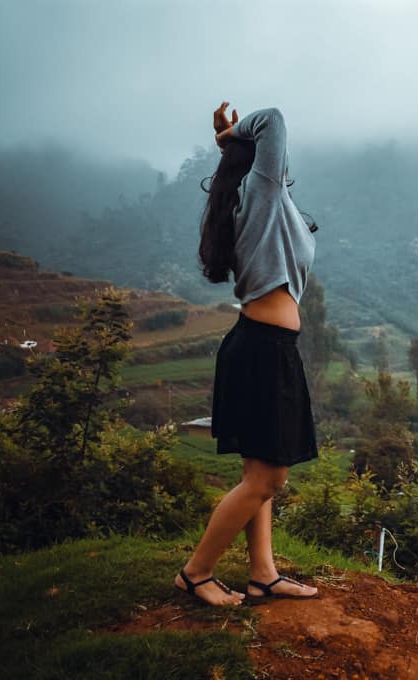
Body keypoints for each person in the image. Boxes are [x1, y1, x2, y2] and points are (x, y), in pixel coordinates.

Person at [174, 102, 320, 606]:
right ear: (258, 165)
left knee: (258, 470)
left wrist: (234, 145)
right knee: (268, 478)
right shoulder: (260, 193)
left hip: (263, 347)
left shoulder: (259, 203)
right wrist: (229, 136)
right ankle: (196, 573)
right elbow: (275, 117)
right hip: (261, 351)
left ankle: (264, 573)